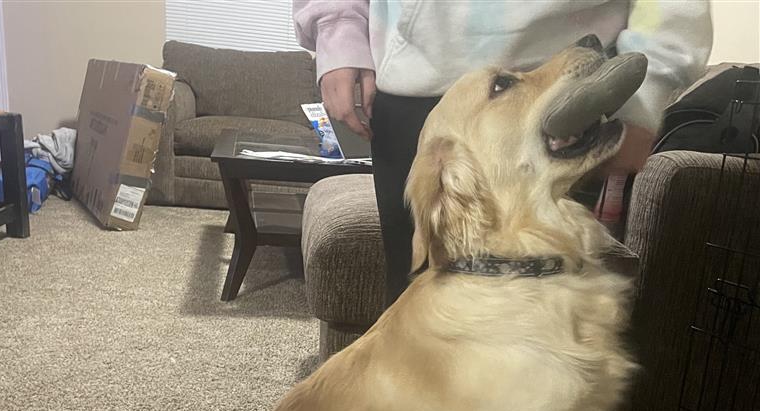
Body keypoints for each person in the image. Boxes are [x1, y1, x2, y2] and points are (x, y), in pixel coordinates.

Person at [294, 0, 713, 306]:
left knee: (550, 313)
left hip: (566, 99)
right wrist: (338, 26)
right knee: (417, 310)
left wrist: (646, 91)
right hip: (410, 88)